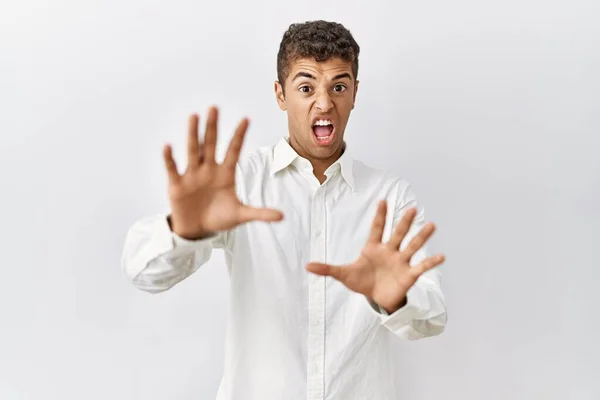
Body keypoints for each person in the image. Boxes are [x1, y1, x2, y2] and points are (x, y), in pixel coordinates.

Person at [122, 20, 447, 400]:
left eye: (338, 87)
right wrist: (182, 230)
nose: (324, 103)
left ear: (355, 93)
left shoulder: (390, 197)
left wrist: (396, 299)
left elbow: (431, 317)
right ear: (280, 94)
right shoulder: (240, 185)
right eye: (306, 87)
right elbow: (142, 274)